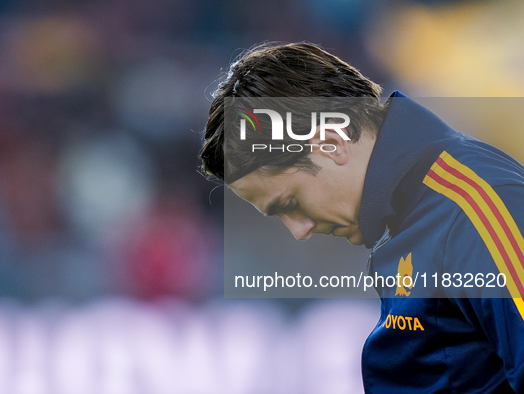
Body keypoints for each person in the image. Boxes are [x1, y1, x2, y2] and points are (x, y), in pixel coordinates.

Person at [199, 42, 524, 392]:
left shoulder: (474, 205)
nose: (299, 231)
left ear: (332, 143)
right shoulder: (417, 212)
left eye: (290, 202)